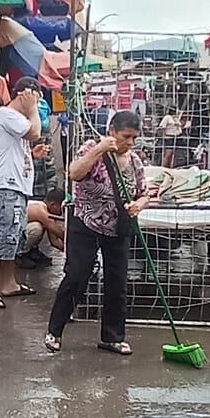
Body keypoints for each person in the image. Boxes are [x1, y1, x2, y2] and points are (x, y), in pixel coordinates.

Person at [45, 111, 156, 355]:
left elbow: (144, 192)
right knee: (76, 276)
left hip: (118, 227)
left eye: (134, 138)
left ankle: (112, 337)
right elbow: (73, 174)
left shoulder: (135, 160)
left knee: (117, 283)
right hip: (86, 223)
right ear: (112, 131)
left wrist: (139, 204)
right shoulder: (91, 149)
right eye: (126, 136)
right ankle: (54, 331)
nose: (130, 143)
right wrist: (99, 150)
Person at [0, 78, 48, 308]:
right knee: (0, 236)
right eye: (36, 98)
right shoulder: (6, 114)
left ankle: (9, 283)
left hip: (14, 187)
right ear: (25, 94)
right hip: (3, 187)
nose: (38, 104)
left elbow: (19, 145)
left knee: (13, 237)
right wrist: (32, 111)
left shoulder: (14, 119)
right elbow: (35, 132)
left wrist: (33, 154)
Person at [19, 189, 67, 267]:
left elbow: (55, 241)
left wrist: (71, 253)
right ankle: (19, 255)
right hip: (10, 236)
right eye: (62, 208)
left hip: (18, 234)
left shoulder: (49, 215)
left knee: (38, 227)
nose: (62, 212)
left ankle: (30, 251)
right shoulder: (40, 209)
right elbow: (60, 234)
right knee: (36, 228)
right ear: (52, 204)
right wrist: (73, 245)